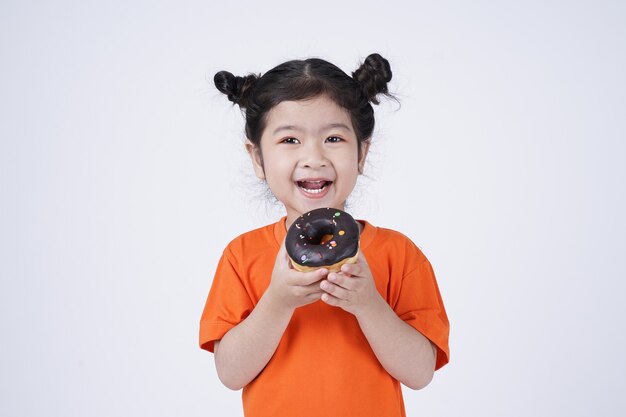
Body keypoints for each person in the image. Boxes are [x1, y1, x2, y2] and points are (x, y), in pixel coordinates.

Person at [199, 53, 450, 417]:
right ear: (257, 158)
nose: (313, 157)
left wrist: (368, 304)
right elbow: (230, 373)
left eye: (333, 138)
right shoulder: (242, 255)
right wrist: (278, 302)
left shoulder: (400, 253)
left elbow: (420, 372)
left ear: (362, 153)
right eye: (289, 140)